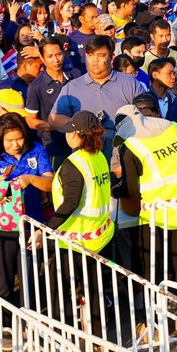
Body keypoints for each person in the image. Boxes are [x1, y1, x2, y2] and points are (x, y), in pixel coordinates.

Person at [115, 93, 177, 297]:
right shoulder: (173, 127)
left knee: (152, 268)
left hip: (156, 215)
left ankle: (154, 317)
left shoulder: (130, 145)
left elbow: (129, 190)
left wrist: (116, 189)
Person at [40, 110, 114, 326]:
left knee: (58, 292)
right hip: (98, 236)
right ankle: (99, 339)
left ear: (76, 135)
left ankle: (64, 338)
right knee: (94, 291)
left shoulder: (74, 164)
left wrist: (45, 228)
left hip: (73, 240)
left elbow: (70, 202)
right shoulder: (98, 156)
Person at [0, 113, 53, 322]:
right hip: (1, 228)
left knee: (30, 279)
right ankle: (6, 324)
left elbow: (50, 183)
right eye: (9, 140)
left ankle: (31, 322)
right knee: (3, 281)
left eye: (19, 138)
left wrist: (32, 179)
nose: (15, 145)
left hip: (31, 225)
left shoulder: (36, 151)